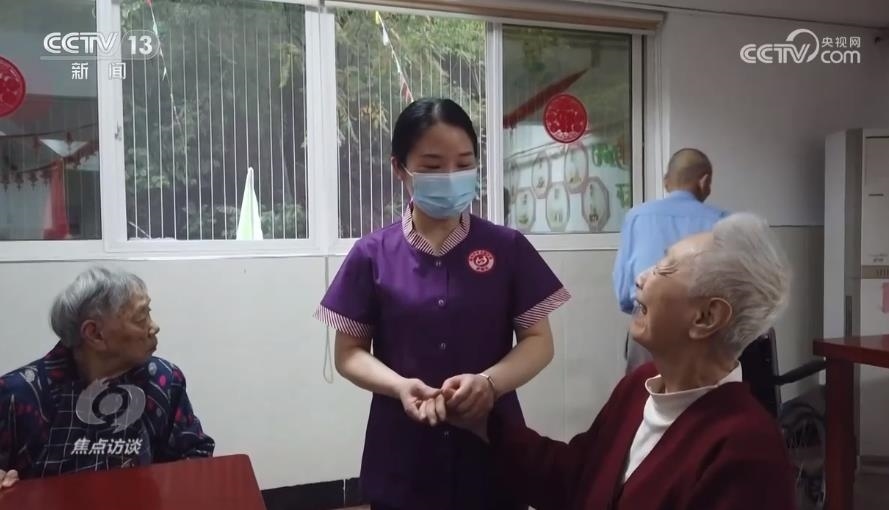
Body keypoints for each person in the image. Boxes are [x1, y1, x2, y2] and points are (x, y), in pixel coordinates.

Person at [314, 98, 570, 510]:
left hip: (491, 444)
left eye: (463, 163)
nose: (450, 177)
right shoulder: (372, 254)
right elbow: (348, 353)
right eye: (432, 167)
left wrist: (489, 384)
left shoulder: (507, 247)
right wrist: (399, 387)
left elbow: (539, 341)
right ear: (400, 168)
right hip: (403, 451)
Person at [448, 212, 796, 510]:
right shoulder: (638, 388)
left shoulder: (746, 449)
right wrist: (482, 421)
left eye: (665, 268)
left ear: (706, 317)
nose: (641, 276)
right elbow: (575, 476)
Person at [0, 267, 214, 488]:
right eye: (141, 317)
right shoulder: (18, 394)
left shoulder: (163, 380)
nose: (154, 327)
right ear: (95, 334)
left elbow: (195, 454)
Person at [613, 148, 728, 373]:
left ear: (666, 181)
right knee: (700, 394)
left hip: (647, 326)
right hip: (701, 331)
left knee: (642, 391)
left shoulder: (636, 217)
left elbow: (623, 294)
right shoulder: (723, 221)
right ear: (704, 181)